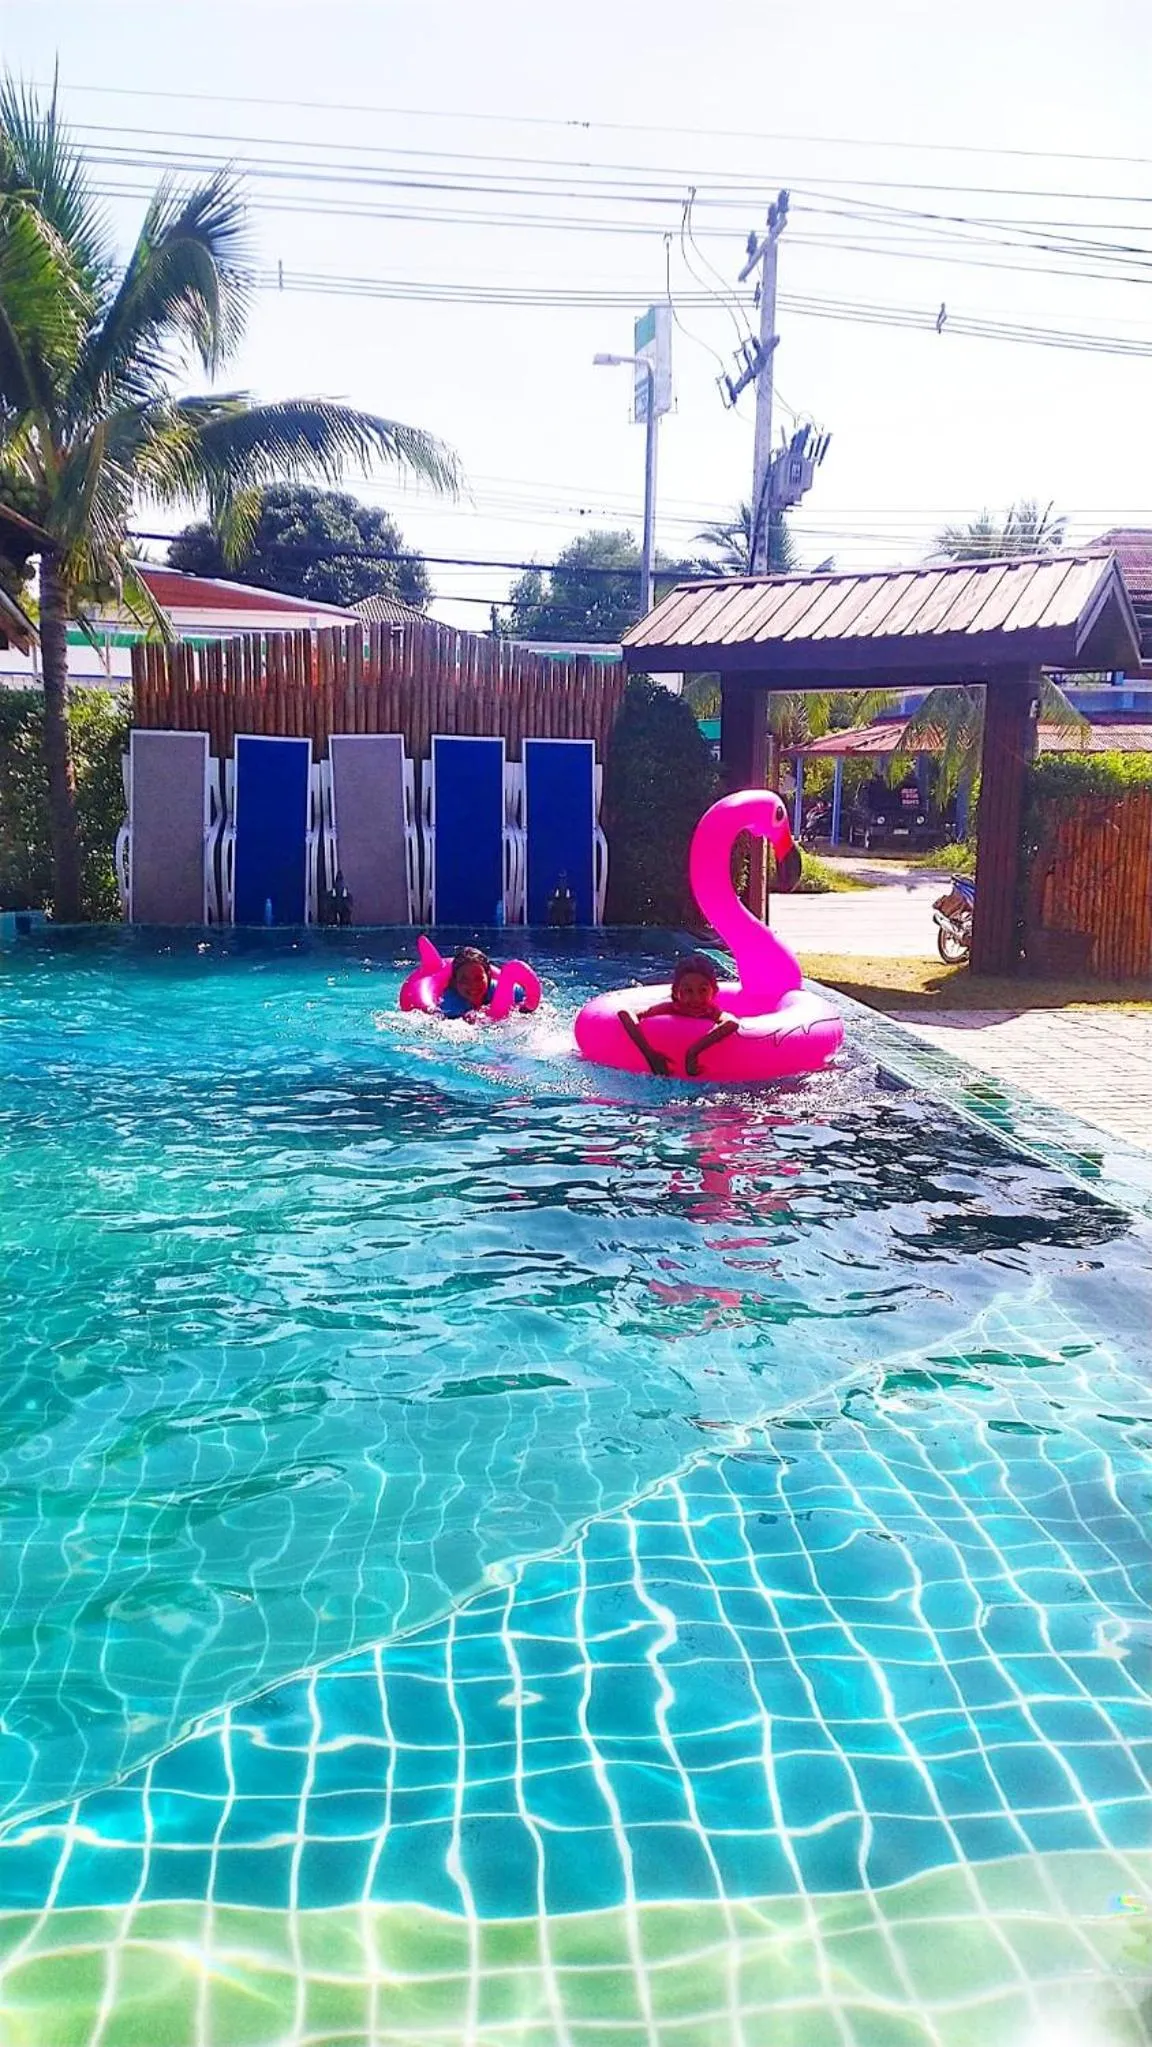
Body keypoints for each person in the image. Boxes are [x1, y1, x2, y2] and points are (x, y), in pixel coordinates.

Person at [617, 952, 738, 1079]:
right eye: (688, 991)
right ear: (676, 992)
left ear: (714, 992)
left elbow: (732, 1023)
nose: (696, 999)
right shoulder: (672, 1008)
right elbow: (625, 1013)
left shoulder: (711, 1012)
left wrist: (693, 1052)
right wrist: (649, 1055)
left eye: (703, 990)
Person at [439, 945, 495, 1018]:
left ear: (488, 976)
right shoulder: (448, 1006)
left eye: (478, 978)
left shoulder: (499, 989)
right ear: (455, 982)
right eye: (464, 980)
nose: (473, 985)